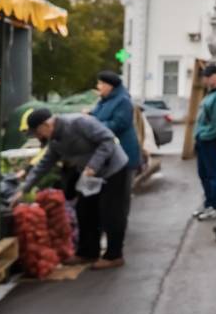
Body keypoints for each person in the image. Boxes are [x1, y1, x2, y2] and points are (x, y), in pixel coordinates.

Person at [13, 109, 130, 269]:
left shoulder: (79, 123)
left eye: (38, 132)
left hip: (113, 169)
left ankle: (114, 256)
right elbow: (44, 164)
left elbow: (108, 140)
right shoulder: (54, 141)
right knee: (85, 211)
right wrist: (25, 189)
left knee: (111, 213)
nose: (38, 137)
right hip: (89, 176)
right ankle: (87, 252)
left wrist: (93, 166)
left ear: (46, 125)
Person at [90, 70, 141, 208]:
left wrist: (94, 126)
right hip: (110, 154)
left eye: (101, 83)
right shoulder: (104, 101)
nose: (98, 86)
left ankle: (119, 225)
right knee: (111, 195)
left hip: (124, 153)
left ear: (109, 86)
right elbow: (97, 116)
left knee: (122, 194)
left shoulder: (123, 101)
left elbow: (118, 124)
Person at [192, 63, 216, 221]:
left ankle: (214, 207)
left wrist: (205, 135)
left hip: (210, 140)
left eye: (208, 76)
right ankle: (208, 202)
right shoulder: (212, 93)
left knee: (212, 174)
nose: (206, 79)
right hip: (203, 139)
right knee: (203, 173)